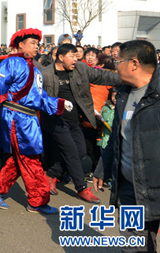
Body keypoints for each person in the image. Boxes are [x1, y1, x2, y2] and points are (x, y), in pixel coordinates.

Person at [0, 28, 71, 214]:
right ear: (21, 45)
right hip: (17, 118)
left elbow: (39, 97)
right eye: (32, 43)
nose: (36, 46)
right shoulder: (11, 62)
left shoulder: (35, 68)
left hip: (29, 119)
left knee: (20, 159)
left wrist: (59, 103)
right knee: (31, 159)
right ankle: (37, 200)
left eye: (37, 43)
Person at [93, 40, 160, 253]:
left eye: (118, 60)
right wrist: (103, 167)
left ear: (134, 63)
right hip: (130, 189)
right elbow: (117, 136)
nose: (115, 65)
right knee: (134, 249)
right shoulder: (123, 94)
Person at [40, 44, 120, 203]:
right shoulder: (45, 74)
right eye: (72, 56)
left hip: (75, 120)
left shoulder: (81, 68)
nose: (76, 60)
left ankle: (51, 174)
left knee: (81, 152)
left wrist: (125, 79)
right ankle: (82, 188)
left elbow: (101, 76)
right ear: (61, 57)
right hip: (57, 121)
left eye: (77, 56)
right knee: (71, 153)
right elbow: (36, 97)